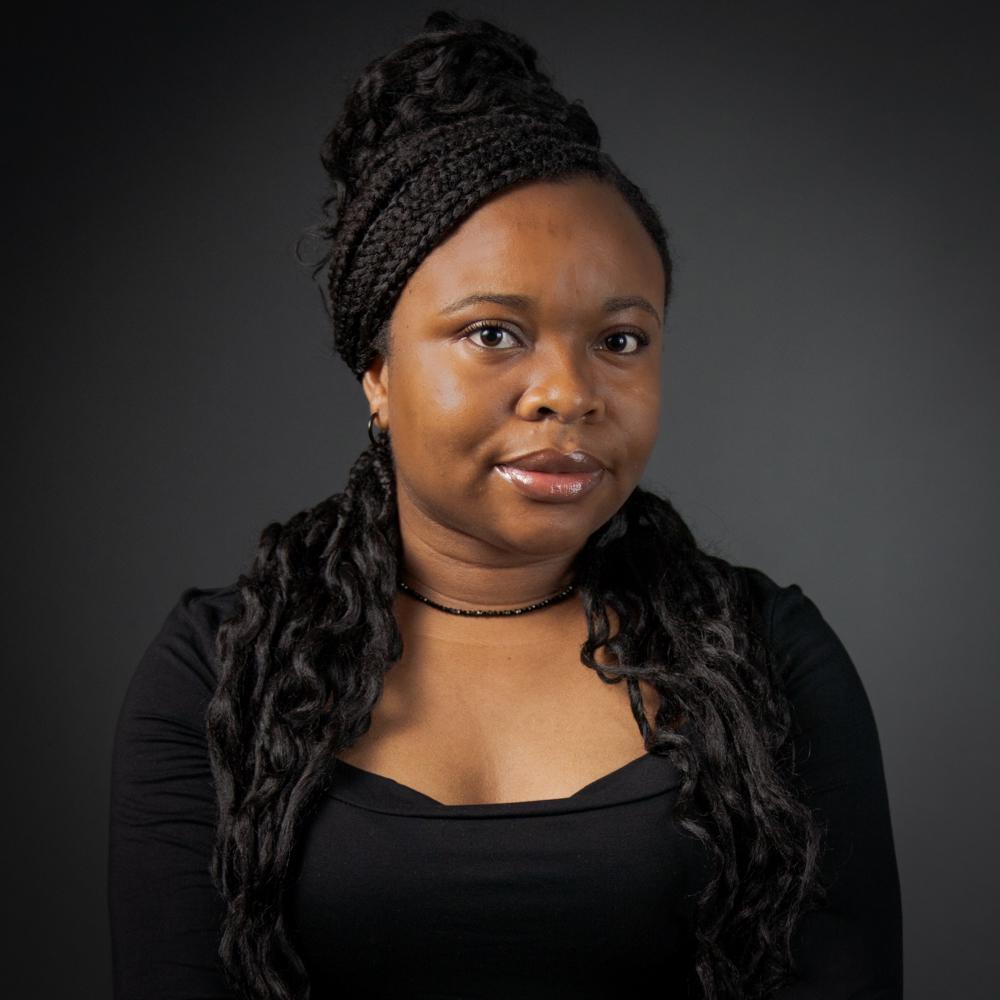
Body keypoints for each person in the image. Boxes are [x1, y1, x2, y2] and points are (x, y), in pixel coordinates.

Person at [107, 10, 903, 999]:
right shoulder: (216, 673)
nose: (569, 391)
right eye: (492, 333)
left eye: (619, 340)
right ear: (377, 370)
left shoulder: (771, 660)